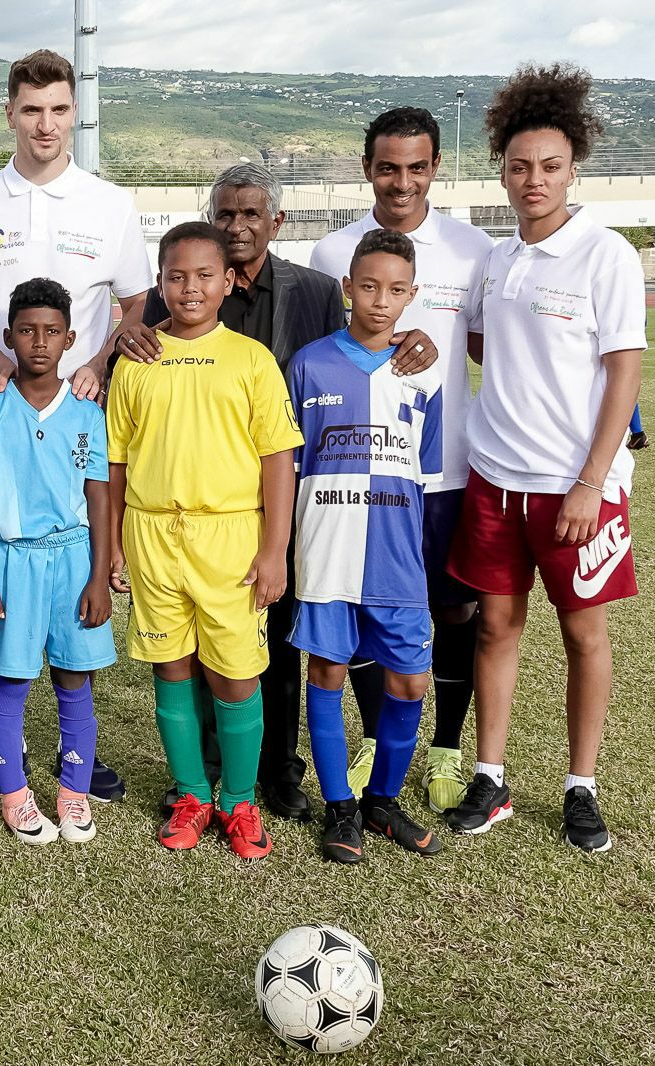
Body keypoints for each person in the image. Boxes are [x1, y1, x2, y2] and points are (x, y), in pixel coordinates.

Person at [130, 163, 439, 824]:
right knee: (204, 646)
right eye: (225, 214)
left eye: (250, 214)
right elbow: (141, 355)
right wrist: (117, 335)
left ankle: (277, 770)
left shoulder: (320, 290)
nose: (237, 226)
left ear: (277, 223)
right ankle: (203, 772)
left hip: (295, 505)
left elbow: (360, 348)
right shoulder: (179, 295)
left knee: (277, 643)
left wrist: (417, 341)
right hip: (206, 506)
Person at [0, 49, 151, 804]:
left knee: (67, 621)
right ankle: (7, 763)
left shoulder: (108, 202)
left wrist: (94, 361)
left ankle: (76, 762)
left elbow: (134, 303)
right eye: (32, 110)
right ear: (10, 115)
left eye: (60, 109)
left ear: (75, 113)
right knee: (5, 601)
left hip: (73, 416)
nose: (47, 124)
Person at [445, 64, 645, 854]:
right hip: (496, 480)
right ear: (501, 168)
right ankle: (490, 780)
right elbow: (485, 343)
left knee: (583, 634)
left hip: (576, 488)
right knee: (496, 626)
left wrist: (592, 481)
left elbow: (624, 372)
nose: (534, 181)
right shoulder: (496, 260)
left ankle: (580, 787)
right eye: (520, 166)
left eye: (550, 166)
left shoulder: (606, 256)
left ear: (574, 168)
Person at [308, 108, 493, 814]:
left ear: (436, 168)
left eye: (417, 167)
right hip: (358, 478)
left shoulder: (472, 248)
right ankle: (371, 741)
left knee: (450, 610)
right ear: (367, 169)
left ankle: (445, 744)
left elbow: (487, 351)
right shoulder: (333, 253)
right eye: (389, 167)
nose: (403, 181)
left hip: (444, 468)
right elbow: (338, 357)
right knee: (355, 603)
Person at [106, 221, 303, 859]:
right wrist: (112, 546)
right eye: (176, 276)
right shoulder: (138, 361)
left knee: (236, 673)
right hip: (153, 531)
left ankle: (240, 801)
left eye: (203, 276)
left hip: (231, 538)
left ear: (227, 283)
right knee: (172, 667)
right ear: (160, 283)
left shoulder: (250, 360)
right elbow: (116, 464)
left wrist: (274, 551)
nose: (190, 288)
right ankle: (191, 793)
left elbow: (279, 459)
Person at [289, 229, 445, 863]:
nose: (381, 301)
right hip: (326, 549)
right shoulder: (308, 363)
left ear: (412, 296)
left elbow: (425, 480)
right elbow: (291, 464)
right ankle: (340, 808)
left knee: (410, 681)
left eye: (396, 290)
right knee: (326, 671)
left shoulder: (423, 375)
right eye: (369, 286)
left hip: (395, 558)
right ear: (348, 288)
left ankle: (382, 800)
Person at [0, 278, 115, 845]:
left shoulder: (87, 415)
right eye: (27, 331)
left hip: (72, 561)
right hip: (12, 561)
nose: (39, 343)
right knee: (11, 683)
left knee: (75, 682)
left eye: (51, 332)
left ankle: (73, 793)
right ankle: (15, 794)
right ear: (8, 337)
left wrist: (99, 573)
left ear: (70, 339)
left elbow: (99, 493)